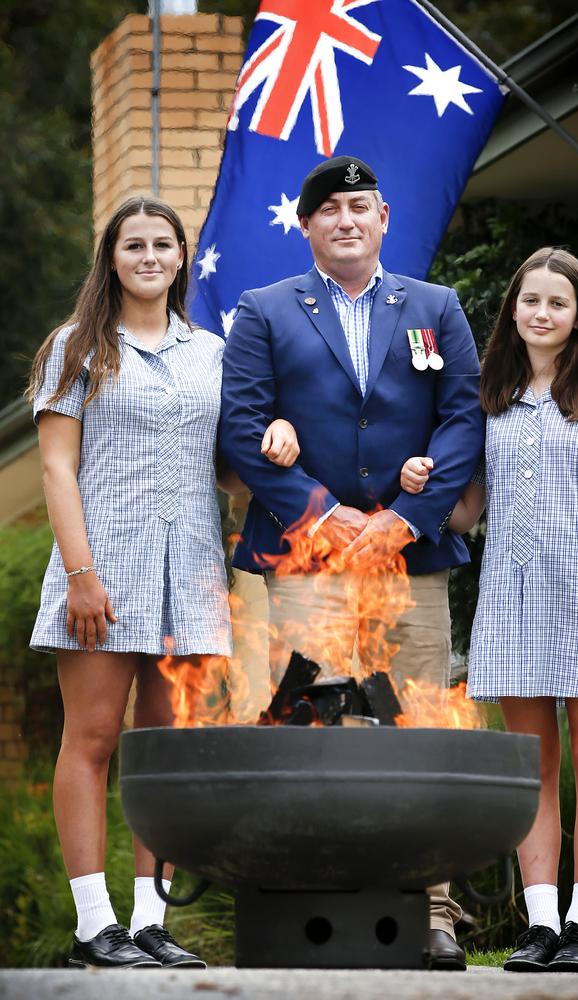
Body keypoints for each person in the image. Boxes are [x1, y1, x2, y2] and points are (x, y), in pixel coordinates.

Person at [219, 155, 485, 970]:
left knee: (423, 723)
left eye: (360, 206)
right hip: (309, 560)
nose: (345, 219)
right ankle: (323, 903)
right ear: (306, 227)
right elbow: (242, 426)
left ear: (383, 219)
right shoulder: (265, 310)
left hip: (413, 557)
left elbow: (464, 417)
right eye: (329, 209)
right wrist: (326, 515)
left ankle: (434, 914)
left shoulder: (435, 307)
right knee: (322, 725)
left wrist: (406, 519)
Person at [26, 195, 298, 969]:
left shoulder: (211, 353)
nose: (149, 257)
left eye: (162, 245)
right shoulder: (76, 347)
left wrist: (276, 436)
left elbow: (226, 464)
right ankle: (92, 926)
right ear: (111, 258)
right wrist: (81, 573)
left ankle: (150, 922)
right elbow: (55, 467)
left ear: (182, 258)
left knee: (164, 750)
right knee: (93, 740)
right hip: (102, 566)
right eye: (133, 245)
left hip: (192, 572)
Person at [400, 247, 578, 973]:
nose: (542, 313)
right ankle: (541, 927)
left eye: (557, 303)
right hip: (512, 610)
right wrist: (423, 482)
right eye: (531, 300)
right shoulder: (491, 401)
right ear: (513, 308)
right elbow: (469, 509)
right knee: (532, 768)